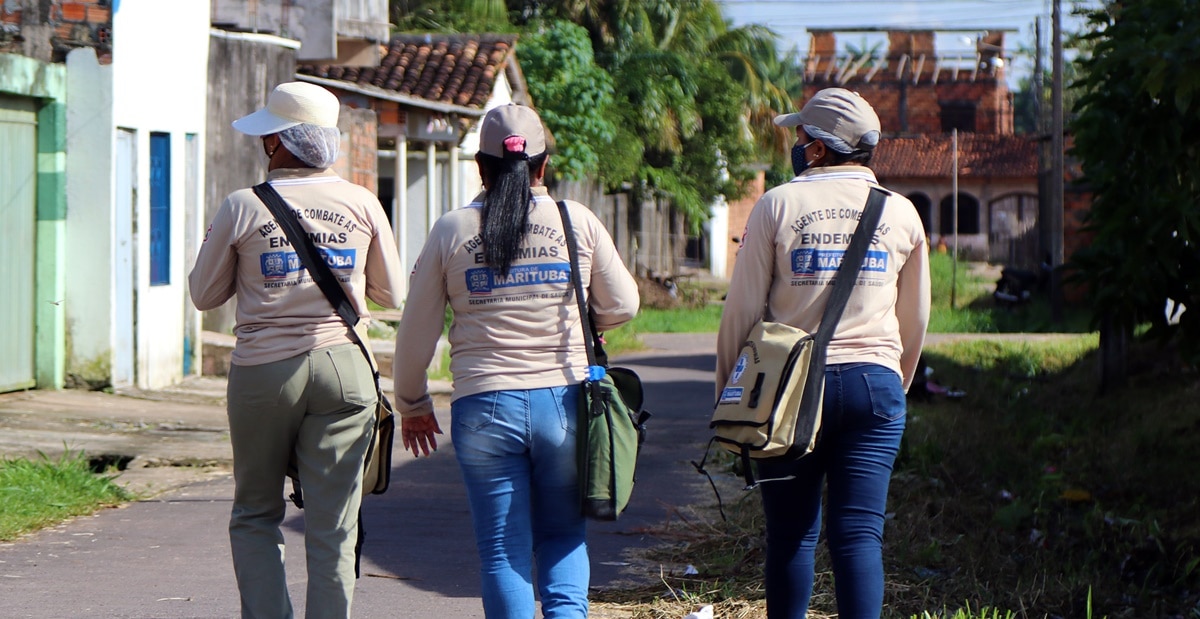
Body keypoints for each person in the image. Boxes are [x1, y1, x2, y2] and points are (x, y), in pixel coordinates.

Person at [392, 103, 640, 618]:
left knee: (502, 551)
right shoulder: (576, 222)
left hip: (483, 406)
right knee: (563, 535)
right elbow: (623, 305)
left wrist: (412, 401)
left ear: (479, 167)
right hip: (566, 403)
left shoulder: (451, 230)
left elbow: (416, 331)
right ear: (543, 165)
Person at [189, 81, 405, 619]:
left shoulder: (243, 205)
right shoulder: (362, 201)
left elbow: (203, 294)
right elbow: (391, 294)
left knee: (257, 513)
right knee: (334, 524)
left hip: (264, 372)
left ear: (279, 142)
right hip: (344, 367)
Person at [715, 88, 930, 618]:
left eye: (800, 134)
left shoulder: (777, 204)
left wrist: (729, 400)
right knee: (859, 537)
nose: (795, 142)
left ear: (816, 148)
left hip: (785, 393)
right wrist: (892, 384)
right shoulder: (901, 213)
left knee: (791, 536)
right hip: (875, 388)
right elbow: (916, 317)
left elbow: (740, 314)